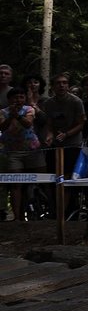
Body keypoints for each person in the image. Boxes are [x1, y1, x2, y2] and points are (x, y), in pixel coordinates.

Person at [0, 87, 46, 220]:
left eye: (21, 97)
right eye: (15, 97)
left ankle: (50, 210)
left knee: (44, 179)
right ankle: (17, 217)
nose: (18, 100)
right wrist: (11, 116)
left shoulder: (29, 109)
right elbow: (2, 127)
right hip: (12, 152)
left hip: (32, 150)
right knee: (16, 184)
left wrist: (18, 116)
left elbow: (28, 123)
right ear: (9, 100)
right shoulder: (3, 112)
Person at [39, 73, 86, 185]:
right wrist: (49, 135)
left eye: (64, 83)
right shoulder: (49, 103)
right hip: (55, 145)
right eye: (58, 83)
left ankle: (67, 201)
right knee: (53, 175)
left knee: (68, 176)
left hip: (72, 144)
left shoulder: (76, 102)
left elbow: (81, 124)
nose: (61, 85)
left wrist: (67, 134)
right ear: (53, 86)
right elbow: (49, 123)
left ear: (68, 86)